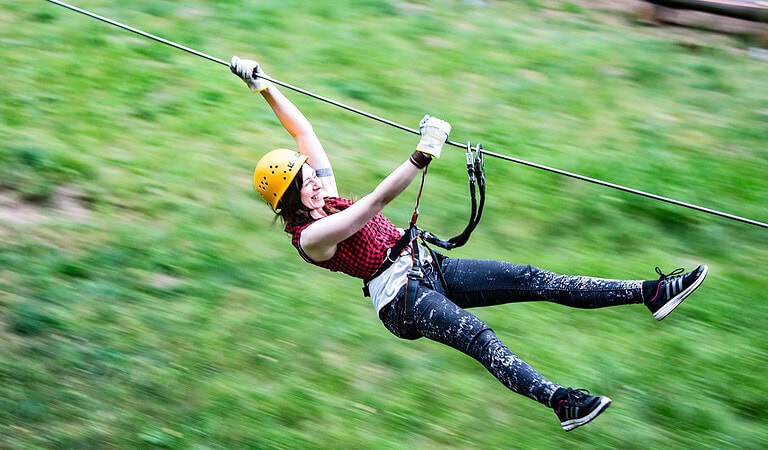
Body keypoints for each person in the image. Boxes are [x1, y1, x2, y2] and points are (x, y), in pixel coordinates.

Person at [230, 55, 709, 432]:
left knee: (534, 279)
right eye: (303, 180)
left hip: (426, 265)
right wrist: (422, 155)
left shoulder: (323, 197)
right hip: (402, 299)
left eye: (309, 172)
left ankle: (650, 294)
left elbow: (303, 131)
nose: (314, 177)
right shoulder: (312, 237)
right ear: (290, 199)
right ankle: (560, 401)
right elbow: (373, 205)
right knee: (480, 338)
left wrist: (264, 85)